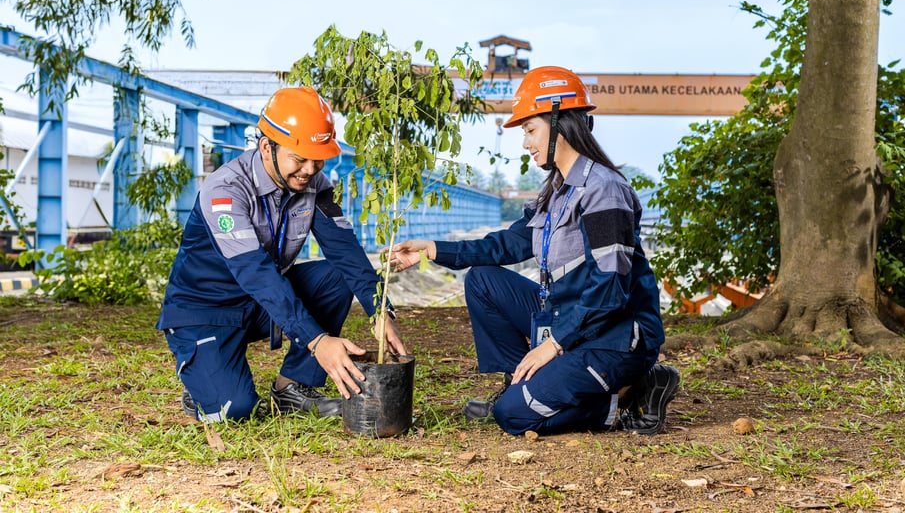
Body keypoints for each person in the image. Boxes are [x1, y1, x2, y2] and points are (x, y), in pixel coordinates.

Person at [390, 66, 679, 436]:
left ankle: (636, 391)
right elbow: (508, 243)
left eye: (530, 130)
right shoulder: (556, 192)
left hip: (614, 338)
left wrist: (553, 346)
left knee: (513, 416)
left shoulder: (603, 191)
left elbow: (609, 289)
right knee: (483, 281)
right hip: (573, 318)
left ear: (561, 123)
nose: (525, 143)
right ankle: (521, 383)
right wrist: (432, 249)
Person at [157, 86, 407, 422]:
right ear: (266, 147)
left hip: (258, 305)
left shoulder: (315, 185)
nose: (309, 168)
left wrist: (379, 309)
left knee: (335, 278)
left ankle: (293, 387)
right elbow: (255, 273)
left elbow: (345, 251)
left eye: (317, 159)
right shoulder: (225, 191)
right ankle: (202, 385)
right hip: (205, 312)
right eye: (299, 158)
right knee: (236, 410)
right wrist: (318, 341)